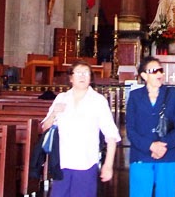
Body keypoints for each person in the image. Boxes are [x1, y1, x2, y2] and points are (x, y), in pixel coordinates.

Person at [39, 61, 121, 195]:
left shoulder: (98, 101)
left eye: (86, 73)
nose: (82, 76)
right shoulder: (62, 98)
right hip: (62, 162)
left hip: (86, 163)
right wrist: (54, 114)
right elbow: (45, 128)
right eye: (78, 73)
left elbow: (111, 135)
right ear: (71, 78)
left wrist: (108, 165)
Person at [126, 56, 175, 197]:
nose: (159, 74)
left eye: (161, 70)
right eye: (154, 71)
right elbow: (131, 129)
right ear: (144, 75)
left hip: (168, 154)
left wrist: (162, 145)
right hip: (141, 154)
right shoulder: (135, 96)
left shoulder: (173, 94)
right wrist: (150, 146)